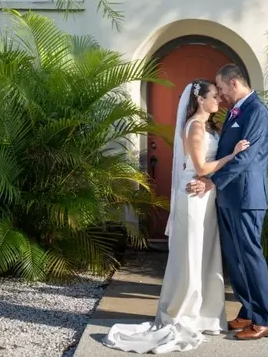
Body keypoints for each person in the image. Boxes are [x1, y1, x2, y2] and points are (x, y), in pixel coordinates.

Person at [103, 79, 250, 353]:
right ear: (200, 100)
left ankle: (206, 314)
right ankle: (185, 313)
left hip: (206, 197)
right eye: (215, 96)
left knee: (207, 254)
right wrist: (232, 156)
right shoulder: (194, 126)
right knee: (191, 254)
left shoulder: (209, 125)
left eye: (219, 95)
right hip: (193, 196)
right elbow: (201, 167)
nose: (219, 100)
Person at [187, 64, 268, 340]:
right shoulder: (235, 111)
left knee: (250, 256)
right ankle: (248, 311)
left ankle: (264, 320)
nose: (221, 94)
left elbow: (246, 157)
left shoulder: (257, 112)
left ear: (234, 82)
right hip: (228, 197)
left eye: (222, 88)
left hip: (247, 197)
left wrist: (213, 181)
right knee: (235, 259)